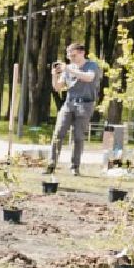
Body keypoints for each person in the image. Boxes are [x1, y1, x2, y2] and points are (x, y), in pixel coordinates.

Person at [49, 42, 102, 176]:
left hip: (85, 105)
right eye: (68, 55)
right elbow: (58, 87)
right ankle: (51, 164)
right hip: (68, 104)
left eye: (73, 55)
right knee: (58, 133)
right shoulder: (69, 68)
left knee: (78, 137)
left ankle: (74, 167)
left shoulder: (92, 65)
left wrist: (68, 69)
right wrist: (54, 75)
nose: (70, 58)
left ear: (82, 53)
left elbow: (88, 77)